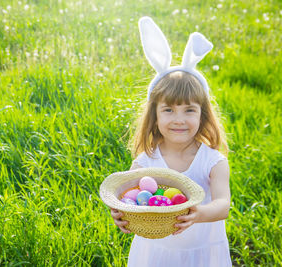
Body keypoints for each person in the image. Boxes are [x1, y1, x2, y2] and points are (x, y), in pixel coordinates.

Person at [110, 17, 232, 266]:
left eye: (189, 110)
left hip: (202, 251)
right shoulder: (146, 160)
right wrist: (121, 213)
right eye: (168, 110)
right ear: (154, 115)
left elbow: (223, 205)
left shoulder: (212, 161)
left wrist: (197, 214)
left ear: (203, 114)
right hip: (155, 252)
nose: (179, 120)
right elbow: (126, 195)